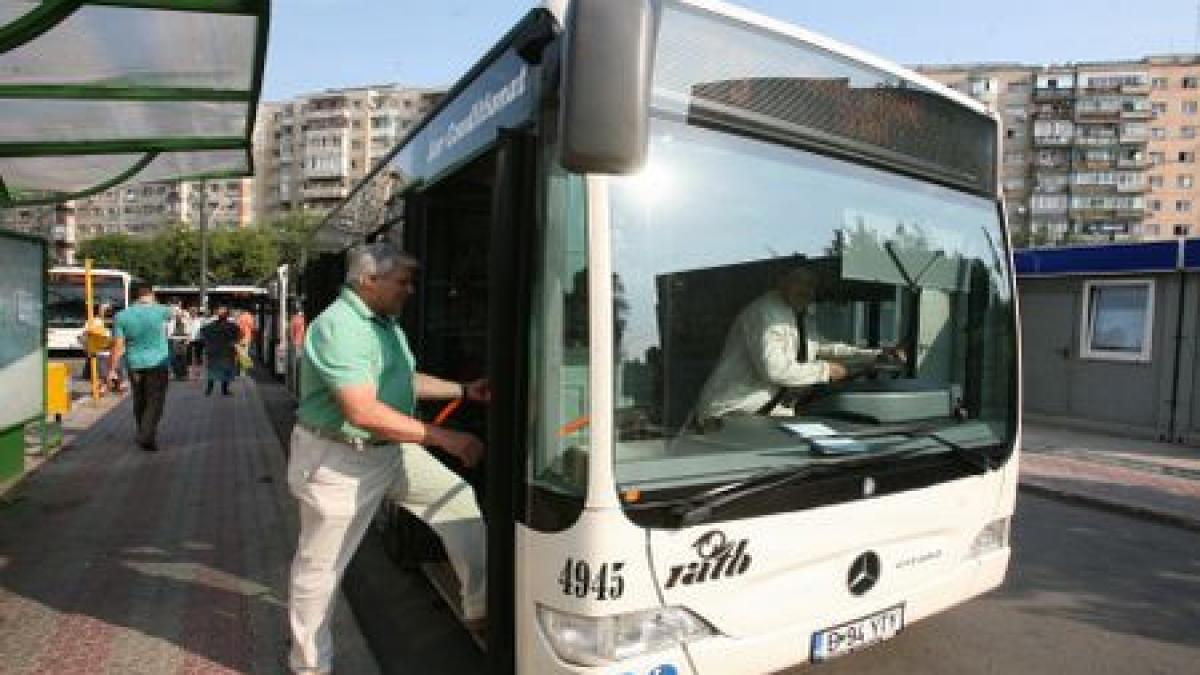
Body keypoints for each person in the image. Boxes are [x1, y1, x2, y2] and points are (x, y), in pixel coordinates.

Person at [287, 242, 488, 675]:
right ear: (368, 280)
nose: (410, 290)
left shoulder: (384, 325)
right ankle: (309, 666)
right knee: (320, 570)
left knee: (457, 502)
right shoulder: (340, 327)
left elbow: (401, 379)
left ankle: (479, 609)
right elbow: (361, 411)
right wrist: (444, 438)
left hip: (388, 451)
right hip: (338, 460)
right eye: (403, 282)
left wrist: (462, 390)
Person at [695, 266, 902, 423]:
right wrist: (825, 371)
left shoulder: (798, 313)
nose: (807, 290)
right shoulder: (765, 314)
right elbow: (775, 370)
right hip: (732, 413)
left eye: (811, 284)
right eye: (799, 281)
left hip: (769, 412)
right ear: (781, 281)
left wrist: (874, 355)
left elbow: (822, 347)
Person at [107, 283, 173, 451]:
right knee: (155, 401)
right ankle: (146, 435)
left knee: (139, 399)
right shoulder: (161, 311)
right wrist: (153, 303)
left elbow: (118, 345)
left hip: (134, 364)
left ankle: (142, 430)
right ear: (151, 294)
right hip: (157, 364)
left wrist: (112, 370)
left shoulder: (121, 316)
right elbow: (173, 313)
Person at [200, 307, 241, 396]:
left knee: (213, 371)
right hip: (226, 353)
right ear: (227, 316)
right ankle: (224, 390)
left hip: (215, 352)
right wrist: (234, 342)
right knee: (225, 371)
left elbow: (202, 332)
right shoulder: (232, 326)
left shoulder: (211, 325)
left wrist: (207, 343)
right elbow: (238, 335)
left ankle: (209, 390)